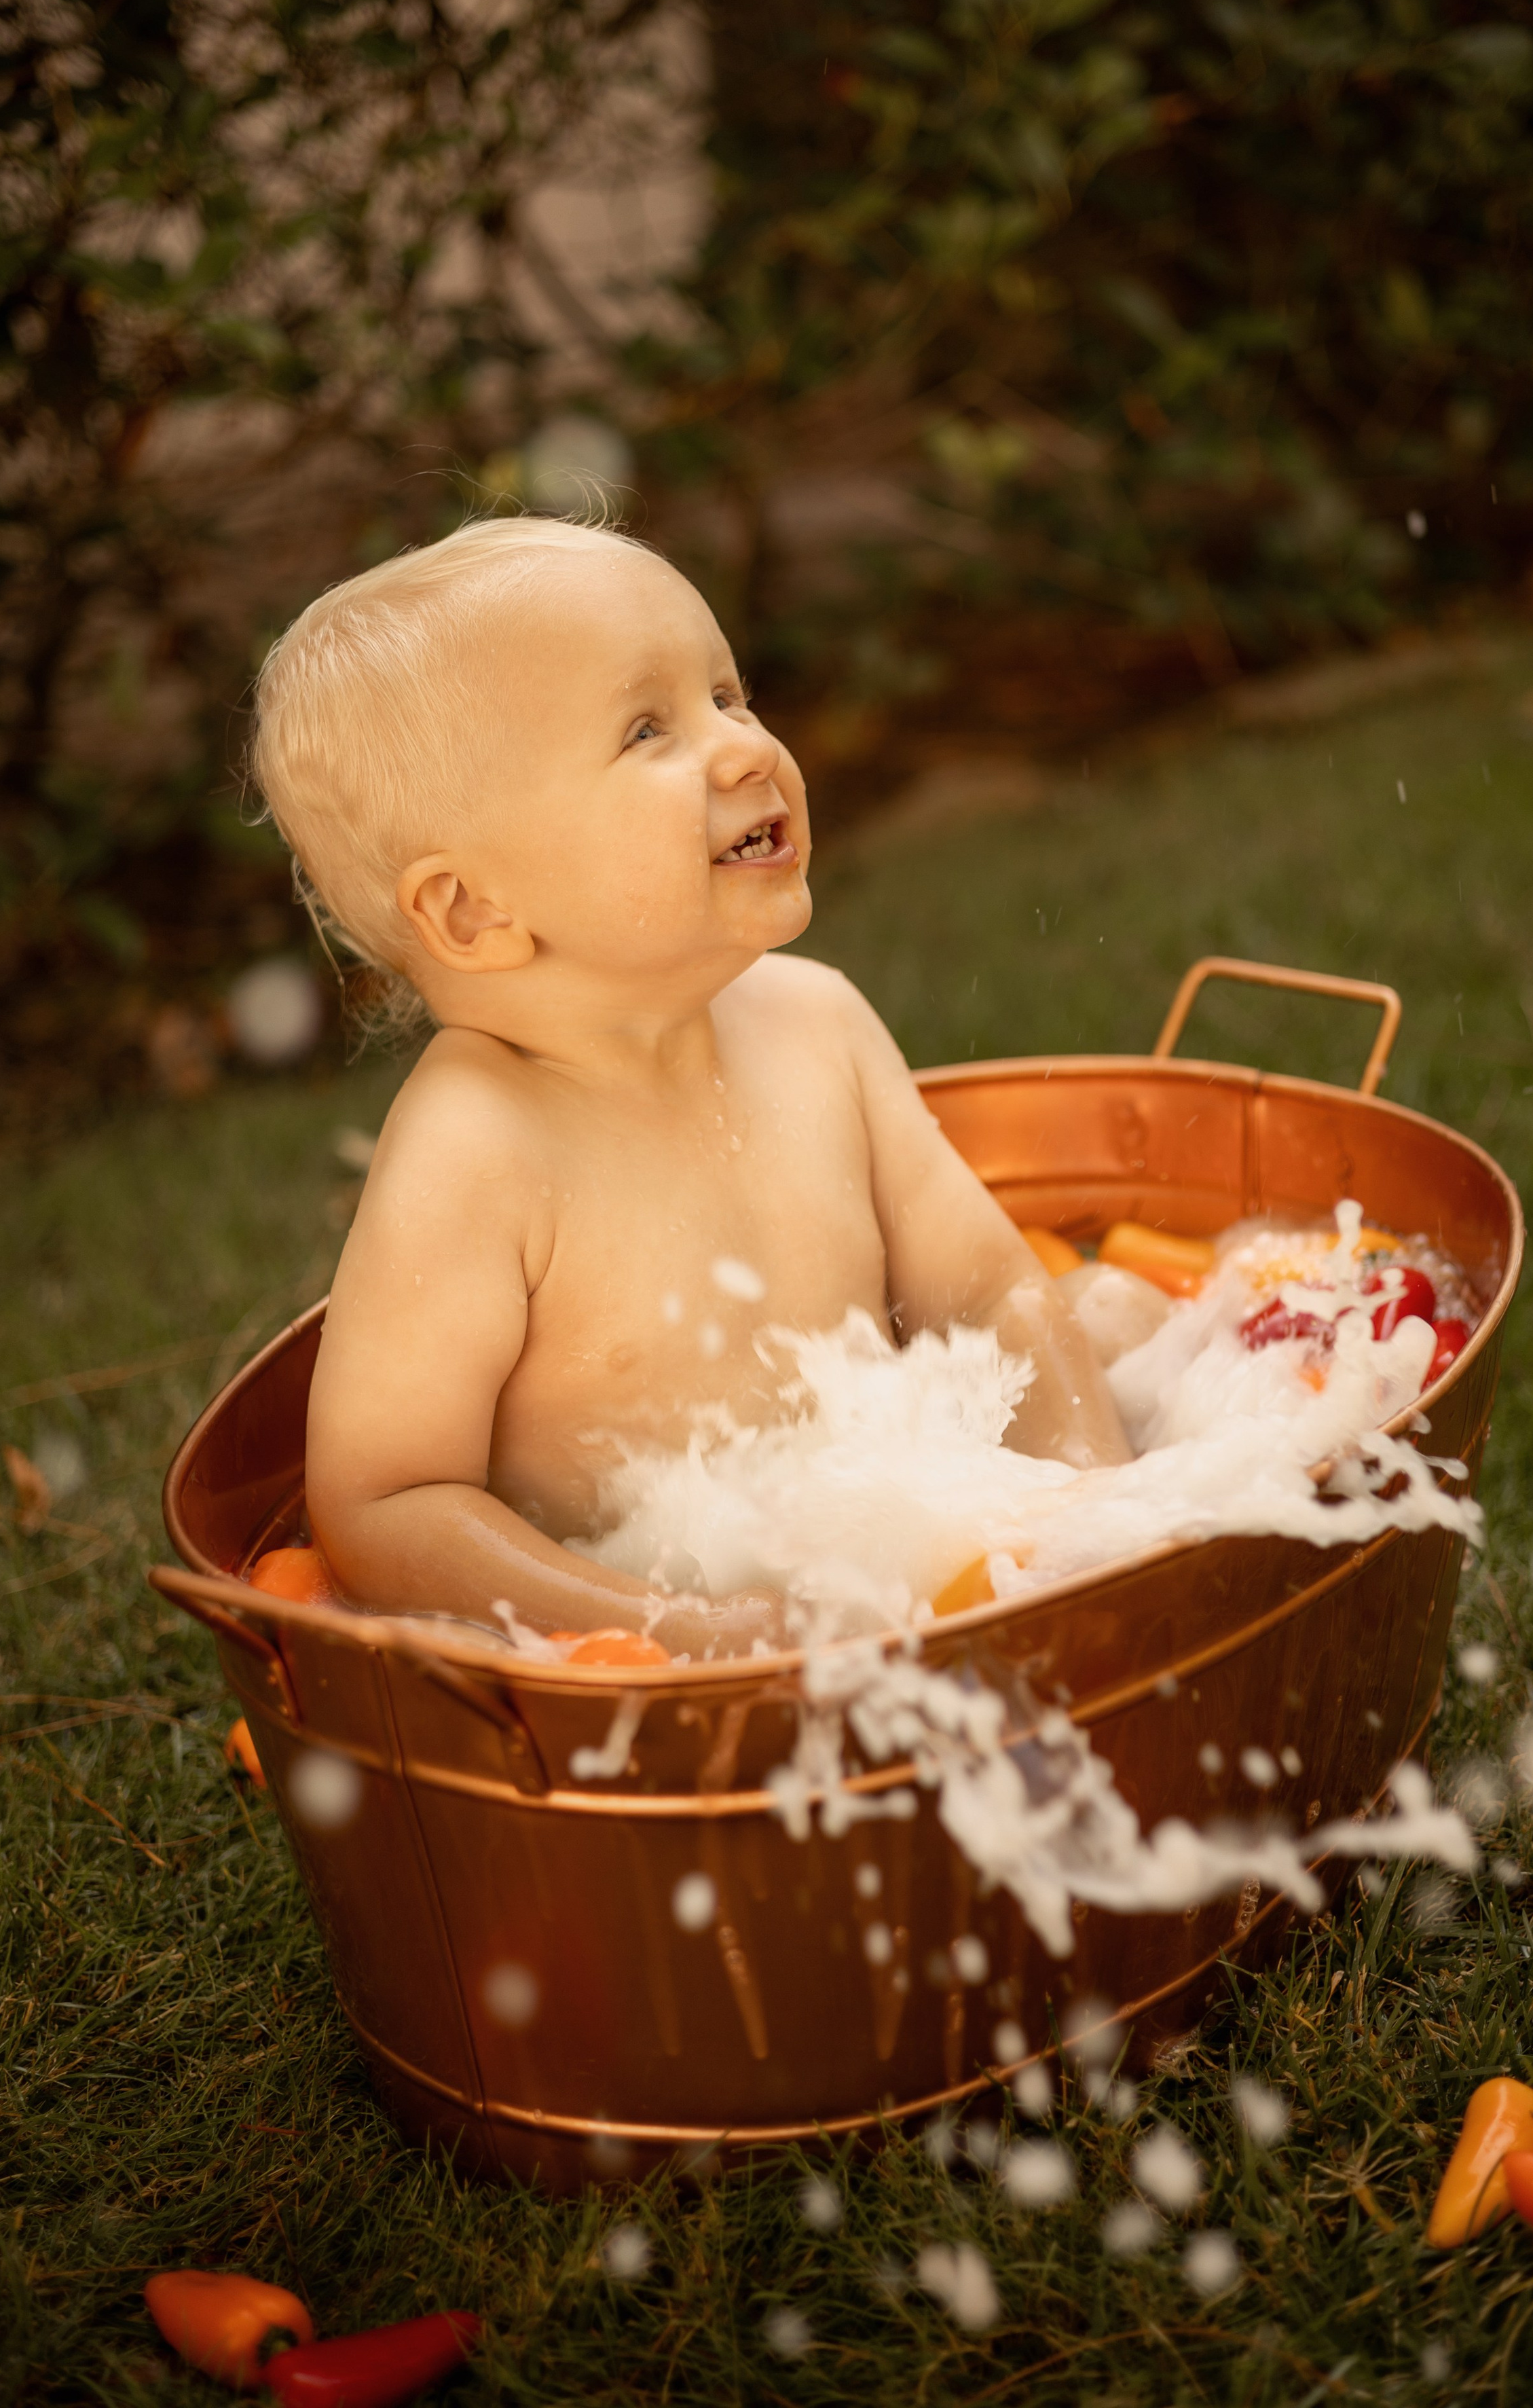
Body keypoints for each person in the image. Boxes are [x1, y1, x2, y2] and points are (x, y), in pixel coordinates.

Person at [251, 517, 1128, 1655]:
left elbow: (992, 1294)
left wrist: (1101, 1510)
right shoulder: (477, 1144)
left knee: (1117, 1315)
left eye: (732, 695)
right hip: (655, 1642)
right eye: (648, 729)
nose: (747, 748)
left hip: (899, 1531)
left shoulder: (818, 1023)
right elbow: (388, 1507)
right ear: (473, 910)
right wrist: (667, 1631)